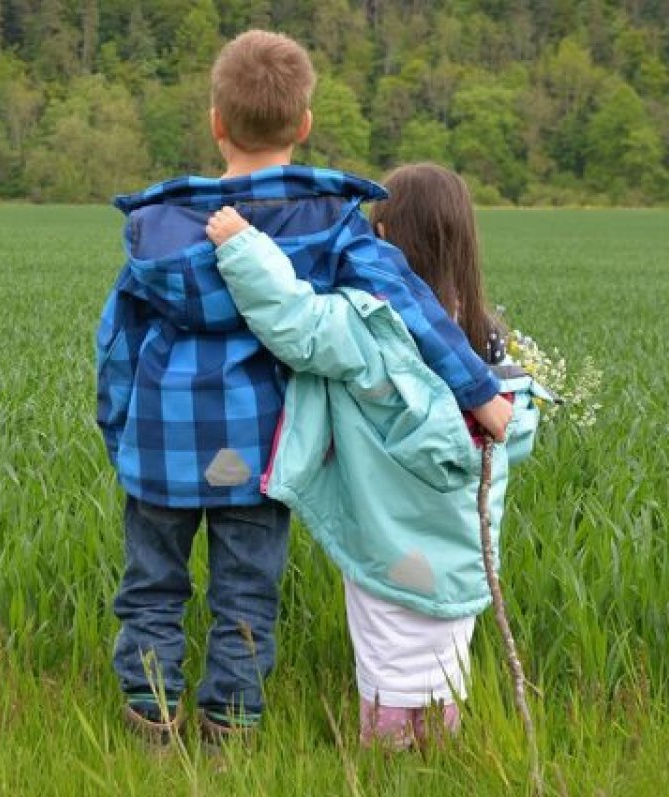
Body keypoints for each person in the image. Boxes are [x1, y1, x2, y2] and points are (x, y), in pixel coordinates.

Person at [96, 30, 511, 751]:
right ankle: (231, 730)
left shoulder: (158, 230)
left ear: (216, 123)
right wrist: (478, 390)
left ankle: (150, 721)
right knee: (246, 594)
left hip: (160, 445)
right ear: (306, 125)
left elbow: (118, 344)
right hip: (262, 449)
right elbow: (409, 306)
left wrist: (119, 431)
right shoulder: (329, 223)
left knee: (152, 587)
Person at [205, 163, 546, 751]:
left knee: (389, 653)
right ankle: (440, 760)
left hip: (386, 534)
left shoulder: (372, 325)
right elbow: (507, 428)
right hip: (461, 544)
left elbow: (295, 320)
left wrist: (243, 247)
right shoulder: (487, 338)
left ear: (382, 239)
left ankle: (385, 760)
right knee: (444, 657)